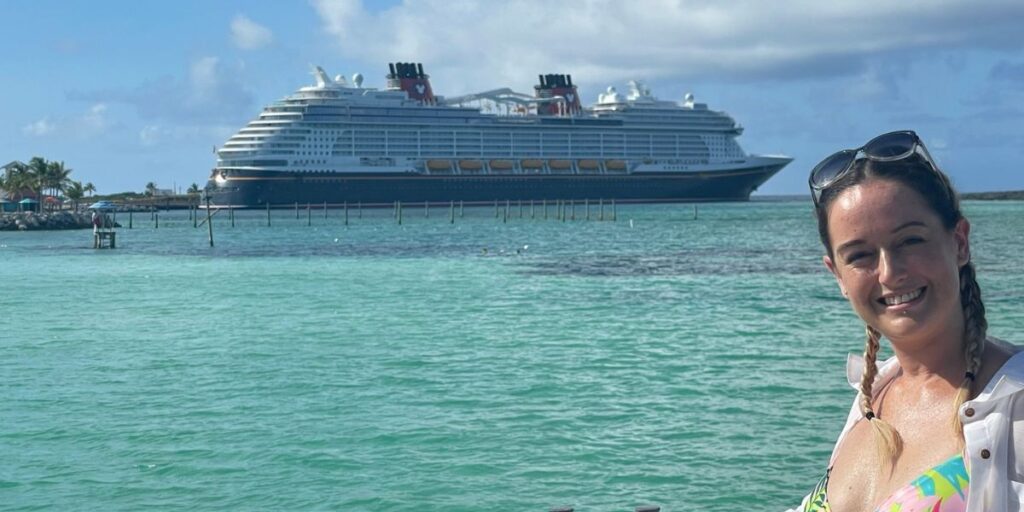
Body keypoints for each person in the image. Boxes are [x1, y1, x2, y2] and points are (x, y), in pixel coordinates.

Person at [791, 130, 1024, 511]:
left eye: (910, 241)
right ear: (838, 276)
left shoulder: (1013, 404)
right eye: (860, 255)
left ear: (959, 243)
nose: (889, 272)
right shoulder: (873, 396)